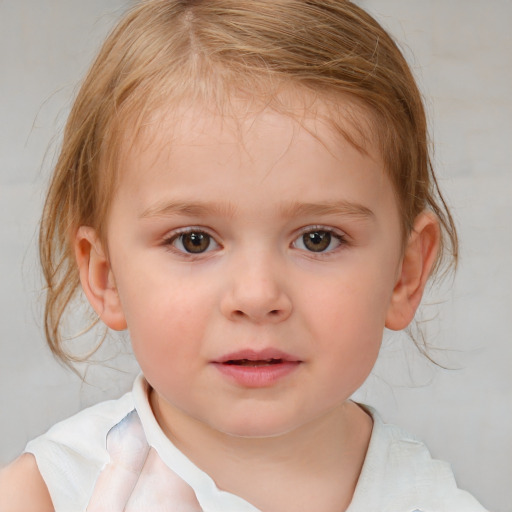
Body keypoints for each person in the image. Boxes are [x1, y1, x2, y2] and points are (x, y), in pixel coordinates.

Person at [0, 1, 488, 510]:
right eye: (194, 241)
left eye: (318, 239)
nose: (257, 296)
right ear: (106, 277)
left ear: (404, 275)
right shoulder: (43, 496)